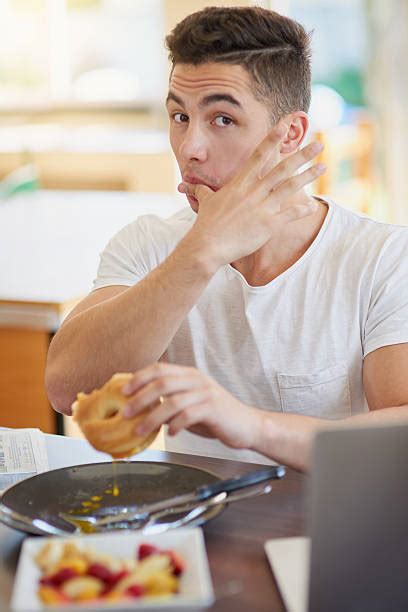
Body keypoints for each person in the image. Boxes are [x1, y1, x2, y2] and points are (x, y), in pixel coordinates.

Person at [45, 6, 408, 471]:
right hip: (194, 531)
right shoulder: (150, 245)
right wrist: (202, 251)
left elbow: (399, 435)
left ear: (291, 134)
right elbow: (65, 389)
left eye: (222, 119)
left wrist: (251, 425)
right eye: (179, 116)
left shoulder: (382, 257)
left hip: (330, 530)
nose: (190, 148)